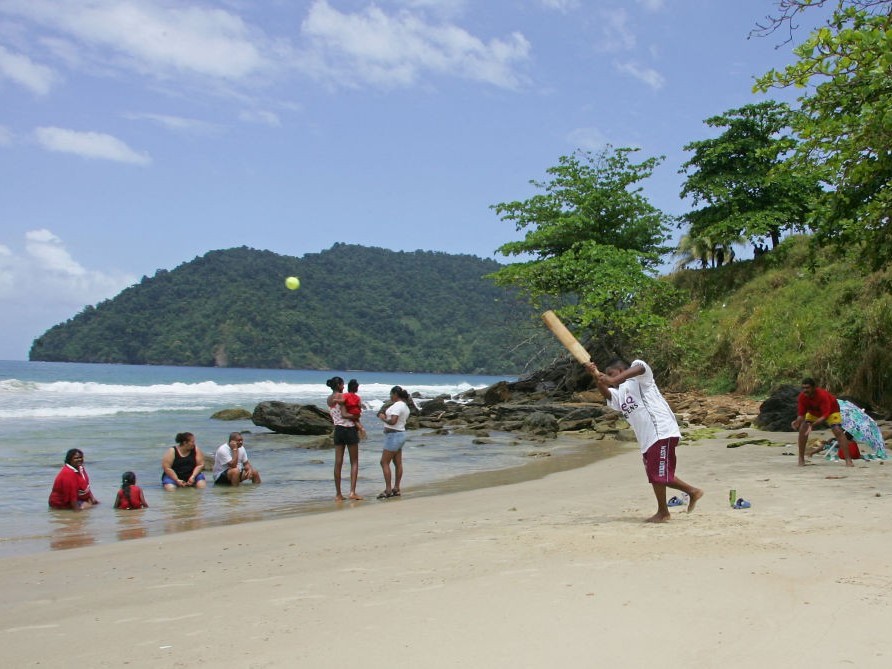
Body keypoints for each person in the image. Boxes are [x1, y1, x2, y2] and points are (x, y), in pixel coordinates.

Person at [587, 359, 703, 523]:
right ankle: (690, 493)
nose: (610, 379)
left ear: (621, 370)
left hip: (661, 431)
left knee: (659, 474)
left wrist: (611, 380)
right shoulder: (621, 393)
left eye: (612, 374)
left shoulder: (640, 377)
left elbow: (640, 368)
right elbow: (606, 393)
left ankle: (665, 511)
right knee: (655, 475)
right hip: (647, 439)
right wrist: (596, 376)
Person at [792, 378, 853, 467]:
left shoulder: (822, 395)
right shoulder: (802, 397)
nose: (805, 390)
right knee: (803, 428)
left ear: (814, 388)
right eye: (803, 388)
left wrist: (812, 425)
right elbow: (801, 415)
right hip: (813, 412)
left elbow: (825, 416)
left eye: (807, 388)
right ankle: (801, 459)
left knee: (837, 430)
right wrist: (797, 422)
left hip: (832, 411)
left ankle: (848, 460)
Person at [326, 376, 363, 501]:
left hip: (338, 430)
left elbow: (335, 415)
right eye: (342, 385)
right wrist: (357, 416)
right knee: (354, 462)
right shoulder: (342, 397)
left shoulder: (329, 399)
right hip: (349, 429)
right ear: (340, 385)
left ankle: (338, 494)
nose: (344, 386)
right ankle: (352, 492)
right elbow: (345, 414)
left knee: (338, 463)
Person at [376, 385, 411, 499]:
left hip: (393, 435)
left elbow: (393, 421)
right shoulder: (405, 406)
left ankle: (388, 489)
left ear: (395, 394)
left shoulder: (397, 405)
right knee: (398, 463)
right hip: (400, 434)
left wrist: (382, 417)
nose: (390, 397)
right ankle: (396, 488)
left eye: (391, 394)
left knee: (384, 462)